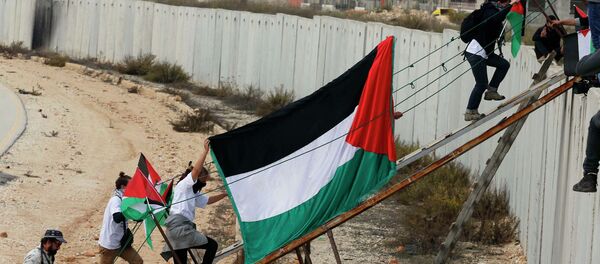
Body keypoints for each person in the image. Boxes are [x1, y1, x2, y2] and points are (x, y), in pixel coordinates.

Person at [161, 139, 228, 264]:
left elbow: (208, 200)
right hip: (180, 228)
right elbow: (196, 171)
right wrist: (205, 151)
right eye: (203, 181)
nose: (203, 184)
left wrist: (224, 194)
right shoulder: (184, 185)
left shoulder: (192, 192)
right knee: (212, 245)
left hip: (178, 229)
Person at [464, 0, 520, 121]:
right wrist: (511, 6)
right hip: (476, 52)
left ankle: (492, 91)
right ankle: (470, 111)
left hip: (485, 53)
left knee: (504, 65)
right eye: (505, 2)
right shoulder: (490, 9)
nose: (506, 5)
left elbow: (496, 24)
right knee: (481, 83)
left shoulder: (494, 10)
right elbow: (495, 19)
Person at [98, 172, 143, 264]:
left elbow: (129, 215)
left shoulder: (125, 199)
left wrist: (139, 215)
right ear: (123, 186)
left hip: (122, 242)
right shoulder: (116, 200)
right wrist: (129, 210)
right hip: (109, 244)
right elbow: (117, 218)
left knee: (137, 261)